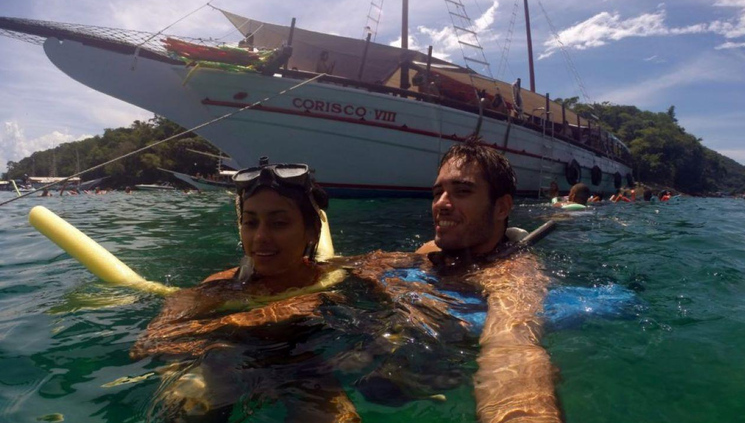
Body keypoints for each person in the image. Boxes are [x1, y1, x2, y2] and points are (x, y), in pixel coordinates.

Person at [351, 136, 562, 422]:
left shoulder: (513, 274)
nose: (442, 204)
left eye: (462, 191)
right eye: (438, 192)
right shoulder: (431, 251)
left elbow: (512, 350)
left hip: (447, 364)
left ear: (501, 208)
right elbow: (370, 265)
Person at [131, 160, 359, 422]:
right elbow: (151, 341)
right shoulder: (222, 284)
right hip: (229, 362)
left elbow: (398, 270)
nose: (260, 237)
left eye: (279, 223)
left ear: (311, 231)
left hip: (306, 365)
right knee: (187, 409)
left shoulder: (332, 274)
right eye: (250, 223)